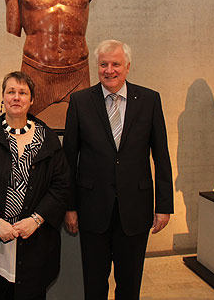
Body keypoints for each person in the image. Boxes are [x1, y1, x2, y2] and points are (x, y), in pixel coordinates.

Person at [63, 40, 174, 300]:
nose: (109, 70)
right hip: (92, 209)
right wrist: (70, 207)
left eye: (115, 64)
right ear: (97, 67)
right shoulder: (80, 102)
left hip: (135, 208)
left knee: (130, 283)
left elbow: (161, 155)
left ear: (127, 67)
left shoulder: (149, 100)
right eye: (103, 64)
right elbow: (68, 159)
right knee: (94, 283)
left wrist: (164, 206)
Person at [0, 71, 70, 299]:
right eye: (11, 91)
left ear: (32, 100)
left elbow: (61, 185)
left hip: (35, 240)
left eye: (23, 92)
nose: (16, 97)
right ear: (2, 97)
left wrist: (36, 220)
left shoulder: (47, 137)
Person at [5, 0, 98, 126]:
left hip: (77, 70)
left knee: (86, 130)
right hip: (36, 69)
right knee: (24, 128)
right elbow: (13, 29)